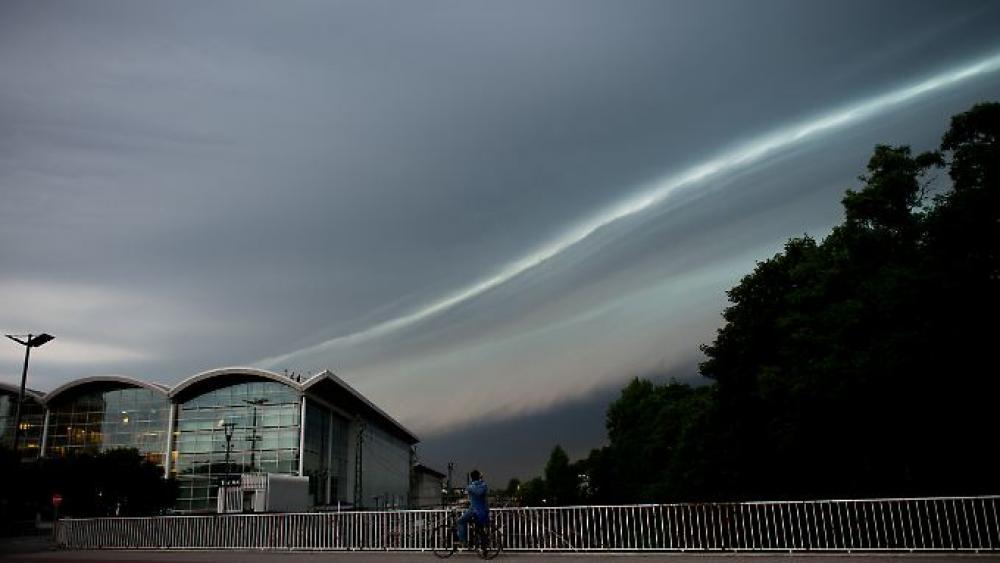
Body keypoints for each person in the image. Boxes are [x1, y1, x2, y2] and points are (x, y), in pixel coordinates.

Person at [457, 469, 489, 545]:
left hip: (474, 510)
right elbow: (480, 493)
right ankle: (483, 546)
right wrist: (481, 478)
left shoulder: (470, 487)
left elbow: (470, 499)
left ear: (471, 478)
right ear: (479, 477)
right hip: (484, 510)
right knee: (480, 528)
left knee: (460, 521)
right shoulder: (484, 485)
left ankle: (463, 541)